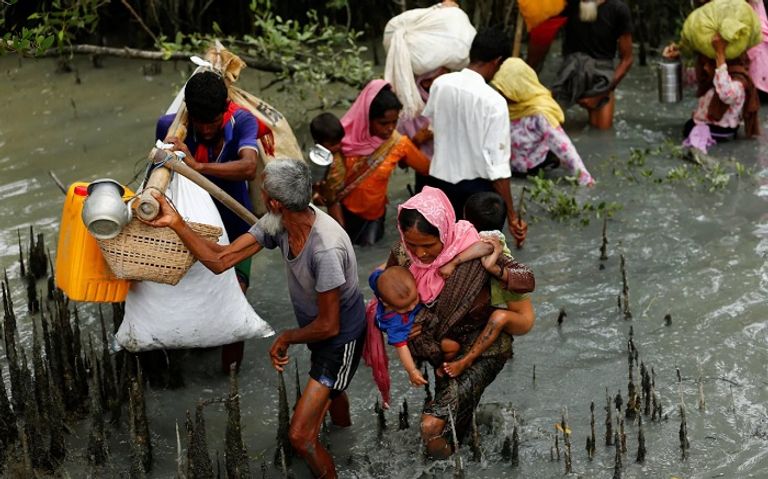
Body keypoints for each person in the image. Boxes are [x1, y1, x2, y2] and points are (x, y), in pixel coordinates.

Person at [142, 160, 366, 479]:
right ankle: (345, 438)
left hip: (341, 337)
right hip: (319, 329)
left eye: (262, 190)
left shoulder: (325, 250)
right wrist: (176, 223)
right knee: (333, 390)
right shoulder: (280, 221)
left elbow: (330, 326)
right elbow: (221, 259)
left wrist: (286, 337)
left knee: (301, 437)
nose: (259, 193)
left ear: (274, 203)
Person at [384, 186, 535, 458]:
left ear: (444, 231)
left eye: (429, 245)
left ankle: (450, 465)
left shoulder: (476, 246)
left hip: (482, 349)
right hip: (439, 351)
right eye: (412, 244)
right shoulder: (402, 254)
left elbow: (527, 280)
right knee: (456, 424)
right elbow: (388, 295)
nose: (421, 253)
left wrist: (494, 268)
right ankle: (462, 453)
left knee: (431, 426)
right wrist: (406, 322)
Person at [156, 70, 270, 372]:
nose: (206, 130)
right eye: (200, 122)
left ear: (225, 110)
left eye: (213, 122)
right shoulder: (170, 128)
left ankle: (230, 378)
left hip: (235, 228)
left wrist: (197, 166)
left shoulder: (241, 121)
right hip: (188, 230)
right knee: (186, 299)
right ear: (189, 115)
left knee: (235, 300)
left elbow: (248, 167)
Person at [421, 27, 528, 245]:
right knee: (477, 251)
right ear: (497, 61)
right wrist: (511, 214)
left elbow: (432, 128)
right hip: (476, 193)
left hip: (438, 185)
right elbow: (498, 169)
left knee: (440, 247)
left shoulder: (440, 84)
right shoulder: (494, 102)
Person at [442, 192, 537, 377]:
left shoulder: (494, 247)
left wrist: (494, 269)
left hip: (521, 319)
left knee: (499, 317)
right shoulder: (476, 242)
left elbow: (528, 279)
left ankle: (466, 360)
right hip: (492, 307)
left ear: (465, 216)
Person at [330, 79, 431, 246]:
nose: (390, 128)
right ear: (366, 119)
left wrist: (417, 141)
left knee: (367, 251)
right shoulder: (339, 140)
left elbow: (426, 168)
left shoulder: (398, 143)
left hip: (373, 217)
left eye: (394, 122)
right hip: (341, 212)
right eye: (383, 123)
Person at [491, 58, 595, 186]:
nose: (500, 93)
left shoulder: (539, 113)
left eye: (505, 90)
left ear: (518, 88)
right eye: (500, 89)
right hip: (509, 166)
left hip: (536, 166)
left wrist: (584, 178)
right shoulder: (502, 106)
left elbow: (563, 146)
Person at [551, 0, 634, 130]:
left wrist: (603, 93)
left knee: (602, 133)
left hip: (602, 77)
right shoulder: (568, 4)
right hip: (570, 72)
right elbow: (542, 20)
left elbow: (627, 60)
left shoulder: (617, 9)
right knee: (554, 130)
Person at [672, 35, 760, 153]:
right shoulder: (712, 76)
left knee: (691, 130)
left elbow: (726, 94)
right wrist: (675, 60)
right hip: (708, 123)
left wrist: (720, 55)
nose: (705, 66)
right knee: (689, 126)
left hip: (723, 130)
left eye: (709, 62)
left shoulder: (739, 82)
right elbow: (689, 80)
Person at [309, 112, 346, 224]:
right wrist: (316, 195)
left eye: (339, 142)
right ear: (318, 143)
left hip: (343, 190)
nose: (338, 146)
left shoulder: (339, 151)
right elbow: (313, 181)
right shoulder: (318, 161)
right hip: (331, 198)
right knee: (339, 224)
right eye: (333, 144)